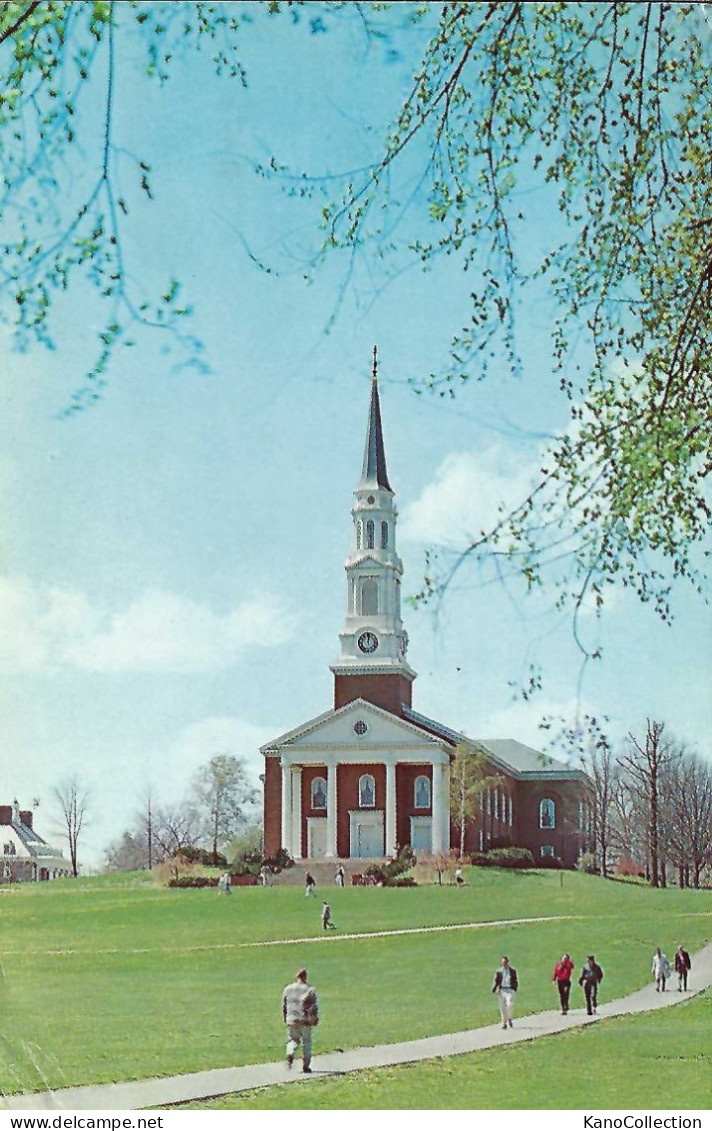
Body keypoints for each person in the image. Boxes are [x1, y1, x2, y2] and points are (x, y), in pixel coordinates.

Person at [282, 968, 319, 1073]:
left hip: (291, 1018)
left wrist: (286, 1017)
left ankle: (290, 1052)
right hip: (305, 1019)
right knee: (306, 1042)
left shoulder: (287, 989)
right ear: (305, 976)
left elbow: (284, 1005)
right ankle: (306, 1065)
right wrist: (314, 1018)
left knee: (293, 1040)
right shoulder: (310, 989)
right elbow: (313, 1006)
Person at [492, 956, 518, 1029]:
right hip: (502, 990)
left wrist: (514, 988)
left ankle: (509, 1017)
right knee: (502, 1007)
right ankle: (504, 1023)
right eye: (503, 963)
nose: (504, 964)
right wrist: (495, 989)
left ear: (508, 962)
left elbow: (515, 980)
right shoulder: (499, 971)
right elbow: (496, 981)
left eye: (505, 962)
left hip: (510, 989)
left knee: (510, 1004)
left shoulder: (512, 971)